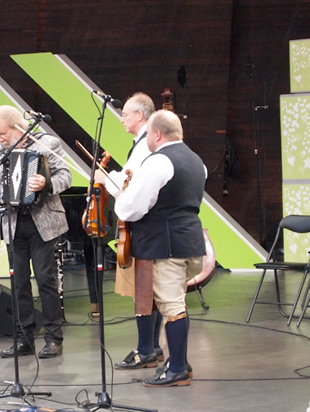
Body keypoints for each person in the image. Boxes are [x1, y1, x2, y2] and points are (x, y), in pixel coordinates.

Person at [114, 109, 206, 387]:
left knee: (173, 306)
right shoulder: (196, 160)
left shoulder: (158, 162)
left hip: (166, 246)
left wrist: (120, 196)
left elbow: (133, 208)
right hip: (190, 242)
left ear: (156, 134)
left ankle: (177, 368)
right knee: (176, 303)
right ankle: (180, 362)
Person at [0, 105, 72, 359]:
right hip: (13, 223)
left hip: (43, 222)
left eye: (2, 133)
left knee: (45, 280)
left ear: (18, 127)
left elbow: (67, 176)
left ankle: (54, 338)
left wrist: (46, 183)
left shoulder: (47, 143)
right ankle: (24, 339)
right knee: (18, 283)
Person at [93, 92, 164, 369]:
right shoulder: (142, 143)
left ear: (140, 115)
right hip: (146, 224)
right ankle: (152, 346)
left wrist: (105, 178)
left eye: (125, 114)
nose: (121, 118)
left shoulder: (147, 143)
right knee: (149, 288)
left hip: (145, 223)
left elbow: (131, 185)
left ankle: (146, 348)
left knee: (144, 287)